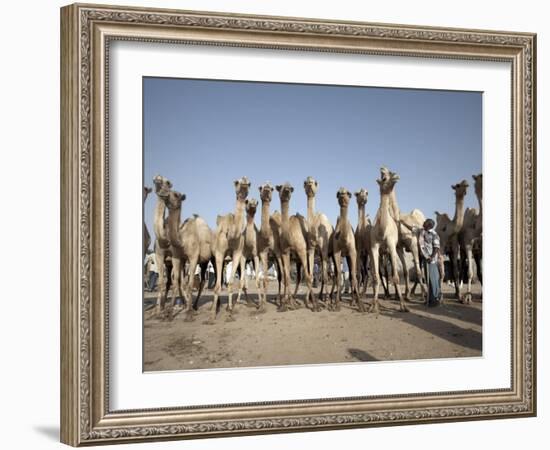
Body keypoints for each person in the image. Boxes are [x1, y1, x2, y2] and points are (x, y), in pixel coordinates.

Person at [400, 218, 442, 307]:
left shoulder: (434, 235)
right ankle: (430, 299)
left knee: (433, 279)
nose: (423, 222)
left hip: (432, 260)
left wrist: (431, 257)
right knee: (427, 280)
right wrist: (403, 222)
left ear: (429, 225)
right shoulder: (421, 231)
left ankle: (435, 299)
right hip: (425, 259)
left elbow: (436, 247)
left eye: (426, 222)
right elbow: (412, 228)